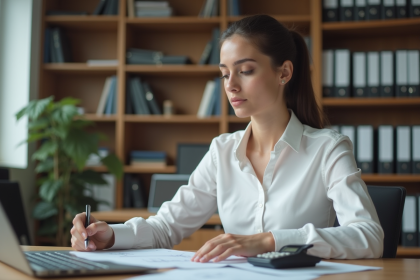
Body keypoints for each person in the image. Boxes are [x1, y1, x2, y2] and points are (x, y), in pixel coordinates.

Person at [70, 15, 384, 261]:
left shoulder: (328, 148)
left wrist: (270, 241)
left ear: (284, 73)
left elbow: (369, 236)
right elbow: (166, 227)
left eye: (244, 70)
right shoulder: (223, 151)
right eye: (224, 73)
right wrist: (110, 236)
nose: (230, 85)